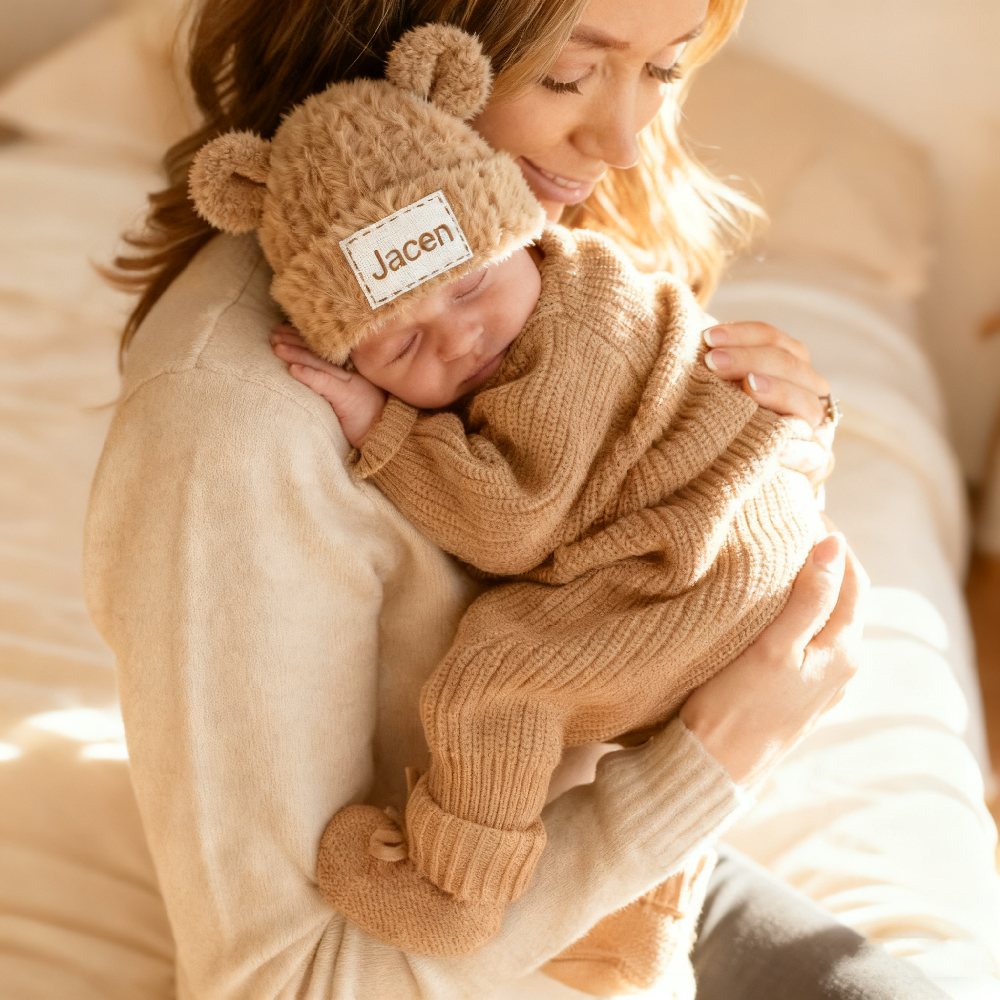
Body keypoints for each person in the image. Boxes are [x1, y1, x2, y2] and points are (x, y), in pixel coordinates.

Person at [83, 0, 949, 996]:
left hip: (599, 844)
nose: (623, 140)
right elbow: (285, 982)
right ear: (402, 42)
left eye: (662, 71)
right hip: (485, 901)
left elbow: (618, 485)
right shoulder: (230, 431)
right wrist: (722, 750)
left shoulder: (527, 245)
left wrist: (776, 439)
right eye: (569, 77)